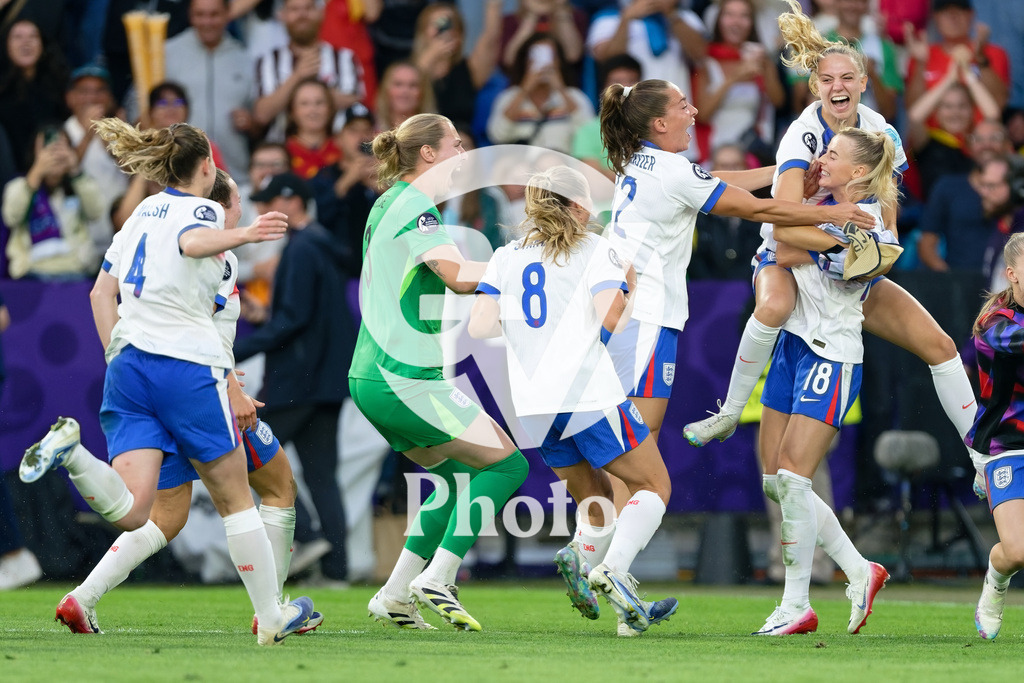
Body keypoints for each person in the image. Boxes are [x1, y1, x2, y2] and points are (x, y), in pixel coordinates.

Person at [18, 118, 314, 646]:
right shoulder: (202, 217)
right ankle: (271, 614)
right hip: (186, 368)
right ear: (206, 169)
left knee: (138, 510)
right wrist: (243, 233)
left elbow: (98, 295)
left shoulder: (137, 216)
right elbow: (194, 240)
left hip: (129, 366)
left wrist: (118, 354)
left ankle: (72, 453)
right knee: (235, 496)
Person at [685, 0, 978, 462]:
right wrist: (838, 237)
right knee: (775, 306)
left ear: (864, 83)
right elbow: (782, 226)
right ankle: (729, 411)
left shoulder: (882, 132)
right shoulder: (800, 136)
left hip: (846, 263)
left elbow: (889, 217)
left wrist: (879, 252)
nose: (837, 87)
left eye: (847, 78)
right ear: (814, 87)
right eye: (827, 79)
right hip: (796, 256)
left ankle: (981, 455)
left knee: (940, 345)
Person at [597, 76, 875, 463]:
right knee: (641, 452)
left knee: (624, 438)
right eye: (682, 105)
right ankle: (614, 519)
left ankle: (603, 518)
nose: (693, 112)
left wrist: (786, 171)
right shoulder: (673, 171)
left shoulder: (637, 161)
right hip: (647, 315)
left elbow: (711, 182)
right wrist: (831, 211)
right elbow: (758, 210)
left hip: (621, 307)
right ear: (660, 123)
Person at [468, 166, 677, 636]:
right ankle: (615, 572)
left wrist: (528, 334)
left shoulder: (505, 256)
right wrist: (628, 288)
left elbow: (480, 326)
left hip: (532, 406)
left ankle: (582, 560)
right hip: (587, 393)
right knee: (654, 487)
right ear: (581, 207)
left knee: (596, 498)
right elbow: (613, 317)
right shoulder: (596, 250)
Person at [351, 113, 529, 631]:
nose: (462, 157)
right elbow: (455, 276)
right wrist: (519, 269)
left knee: (455, 484)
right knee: (508, 467)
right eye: (456, 146)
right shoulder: (413, 204)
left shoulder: (389, 202)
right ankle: (439, 577)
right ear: (427, 154)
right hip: (403, 377)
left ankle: (393, 595)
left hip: (373, 375)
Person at [754, 127, 896, 635]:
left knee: (794, 476)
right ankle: (860, 570)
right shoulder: (823, 205)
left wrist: (798, 222)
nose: (821, 158)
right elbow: (781, 235)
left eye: (832, 154)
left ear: (858, 172)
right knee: (776, 480)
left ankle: (797, 604)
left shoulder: (870, 221)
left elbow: (785, 245)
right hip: (794, 345)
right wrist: (808, 214)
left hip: (831, 353)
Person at [234, 172, 354, 585]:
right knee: (322, 475)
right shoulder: (317, 244)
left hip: (299, 380)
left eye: (268, 203)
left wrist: (230, 352)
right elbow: (304, 317)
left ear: (292, 202)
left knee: (248, 452)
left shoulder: (302, 249)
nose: (262, 212)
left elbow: (294, 320)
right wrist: (267, 318)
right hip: (325, 380)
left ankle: (307, 536)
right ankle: (336, 569)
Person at [968, 230, 1024, 641]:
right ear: (1012, 275)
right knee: (1017, 552)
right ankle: (996, 580)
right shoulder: (995, 324)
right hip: (1007, 445)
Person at [165, 0, 255, 179]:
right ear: (190, 16)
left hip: (234, 175)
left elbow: (257, 122)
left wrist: (250, 123)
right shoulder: (167, 54)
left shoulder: (244, 57)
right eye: (200, 15)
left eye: (214, 14)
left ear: (228, 14)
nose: (207, 22)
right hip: (183, 173)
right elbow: (142, 109)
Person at [3, 123, 105, 280]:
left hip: (76, 272)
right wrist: (36, 172)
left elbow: (96, 212)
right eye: (48, 148)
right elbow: (11, 217)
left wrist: (75, 170)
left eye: (60, 147)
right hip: (32, 274)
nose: (55, 154)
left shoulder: (79, 184)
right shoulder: (19, 186)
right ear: (35, 153)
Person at [252, 0, 364, 142]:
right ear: (282, 15)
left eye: (309, 8)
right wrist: (297, 76)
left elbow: (357, 104)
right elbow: (262, 114)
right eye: (294, 9)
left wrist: (314, 90)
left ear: (321, 13)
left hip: (336, 151)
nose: (302, 14)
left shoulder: (345, 58)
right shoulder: (268, 61)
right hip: (283, 151)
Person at [693, 0, 785, 163]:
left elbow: (778, 102)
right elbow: (702, 115)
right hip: (716, 154)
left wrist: (766, 67)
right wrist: (734, 77)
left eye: (744, 16)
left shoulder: (759, 58)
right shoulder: (707, 62)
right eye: (729, 14)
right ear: (718, 20)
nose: (736, 21)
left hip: (751, 153)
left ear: (752, 22)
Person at [486, 33, 594, 154]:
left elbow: (588, 135)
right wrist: (524, 90)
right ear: (526, 61)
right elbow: (497, 135)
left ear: (559, 61)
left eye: (549, 56)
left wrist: (561, 89)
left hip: (561, 166)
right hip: (521, 167)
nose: (544, 63)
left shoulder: (574, 96)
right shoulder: (508, 97)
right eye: (536, 55)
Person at [410, 2, 503, 131]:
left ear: (459, 32)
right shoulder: (407, 68)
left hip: (460, 141)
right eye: (437, 23)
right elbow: (407, 92)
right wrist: (431, 55)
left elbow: (491, 41)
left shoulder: (468, 69)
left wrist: (493, 7)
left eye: (449, 23)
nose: (443, 29)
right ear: (423, 31)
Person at [283, 77, 340, 180]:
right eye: (304, 104)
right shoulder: (283, 153)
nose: (313, 110)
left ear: (330, 108)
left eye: (319, 103)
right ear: (292, 111)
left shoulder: (344, 149)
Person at [374, 61, 436, 133]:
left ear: (423, 91)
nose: (405, 91)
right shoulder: (370, 127)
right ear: (386, 89)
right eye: (398, 84)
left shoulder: (435, 130)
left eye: (413, 85)